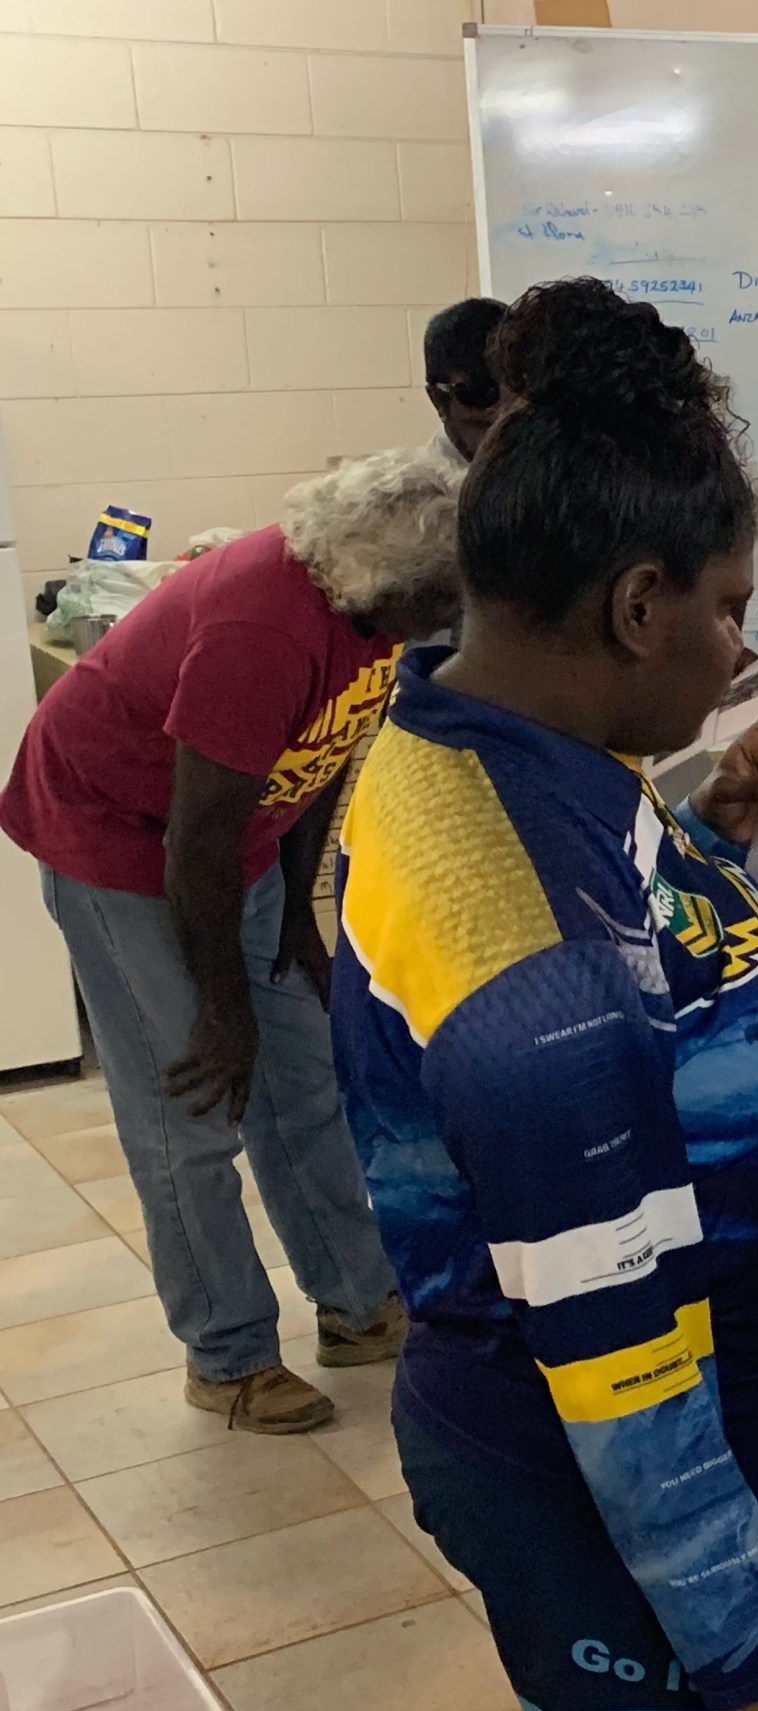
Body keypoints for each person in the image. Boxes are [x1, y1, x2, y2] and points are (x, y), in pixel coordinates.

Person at [328, 278, 758, 1711]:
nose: (738, 646)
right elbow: (619, 1350)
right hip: (619, 1461)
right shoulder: (541, 981)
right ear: (638, 605)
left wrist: (715, 831)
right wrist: (735, 1635)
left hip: (642, 1418)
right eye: (728, 607)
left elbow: (606, 927)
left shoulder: (479, 740)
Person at [0, 454, 451, 1432]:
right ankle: (228, 1356)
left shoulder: (370, 615)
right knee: (192, 1103)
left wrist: (296, 920)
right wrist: (224, 1008)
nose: (460, 614)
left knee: (304, 1078)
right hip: (120, 839)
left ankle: (356, 1304)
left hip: (230, 841)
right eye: (448, 595)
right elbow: (195, 844)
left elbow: (321, 755)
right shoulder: (263, 627)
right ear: (391, 582)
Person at [422, 297, 509, 467]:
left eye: (520, 383)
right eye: (482, 389)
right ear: (439, 400)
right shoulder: (420, 482)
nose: (505, 407)